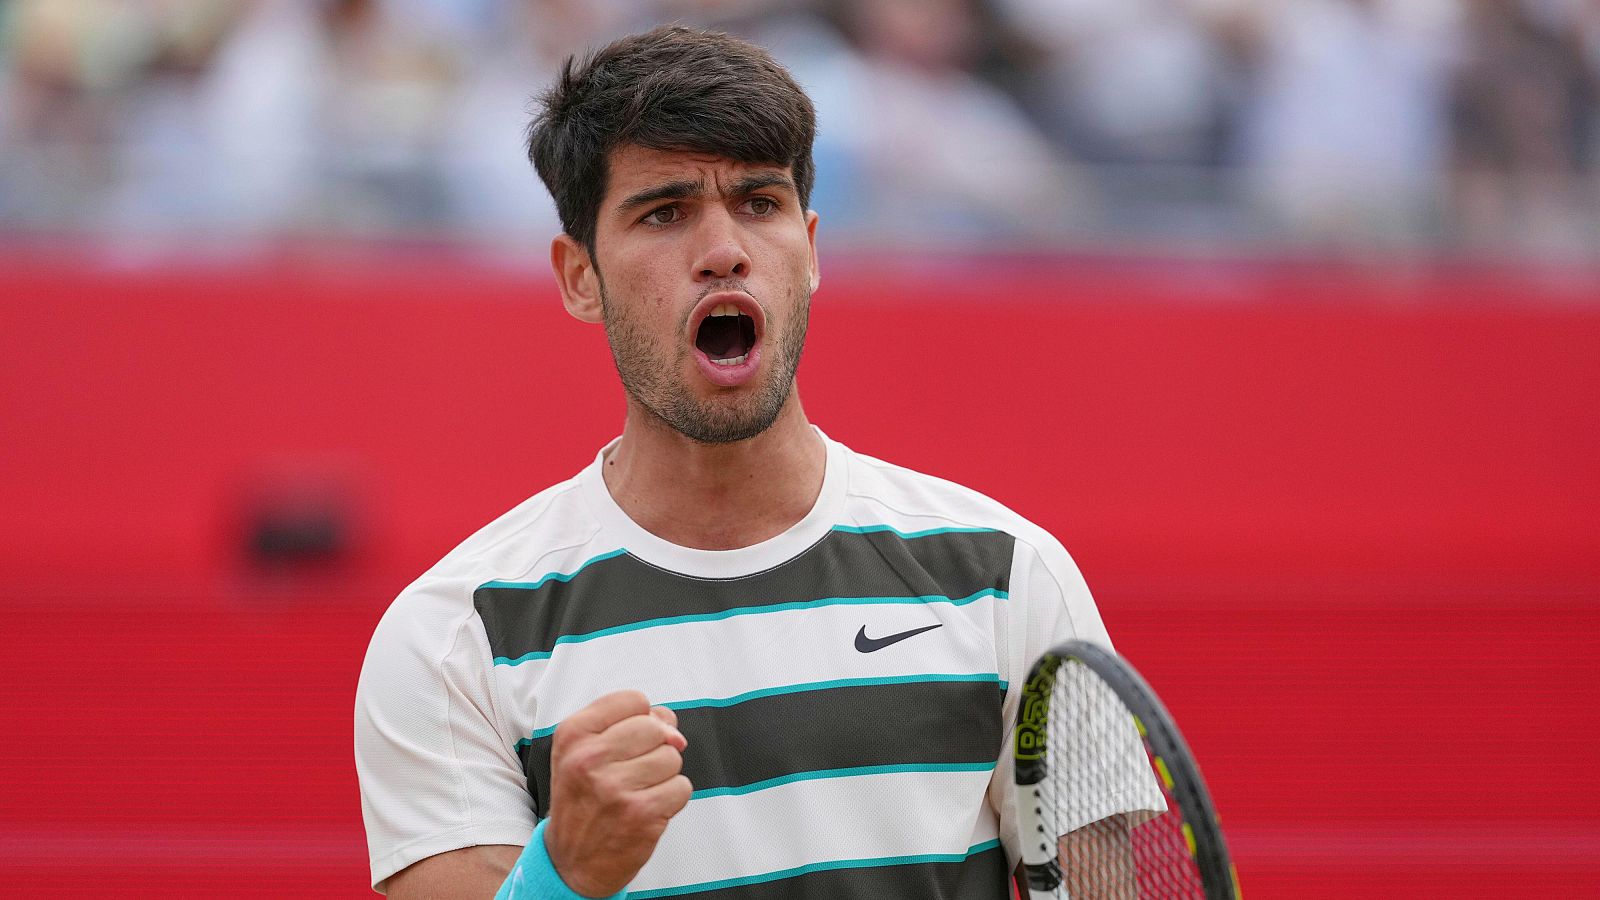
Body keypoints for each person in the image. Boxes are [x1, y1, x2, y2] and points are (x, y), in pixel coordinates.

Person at [354, 24, 1157, 899]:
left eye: (760, 203)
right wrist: (560, 875)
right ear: (580, 277)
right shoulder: (452, 637)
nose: (725, 248)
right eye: (663, 212)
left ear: (810, 249)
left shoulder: (1009, 577)